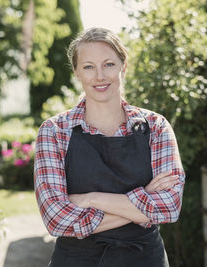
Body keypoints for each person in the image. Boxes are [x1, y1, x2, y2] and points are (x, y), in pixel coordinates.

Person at [34, 27, 185, 267]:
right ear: (76, 72)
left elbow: (169, 207)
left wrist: (90, 199)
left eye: (109, 64)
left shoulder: (156, 127)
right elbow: (56, 219)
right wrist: (143, 201)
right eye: (88, 67)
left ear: (123, 66)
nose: (100, 76)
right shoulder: (54, 131)